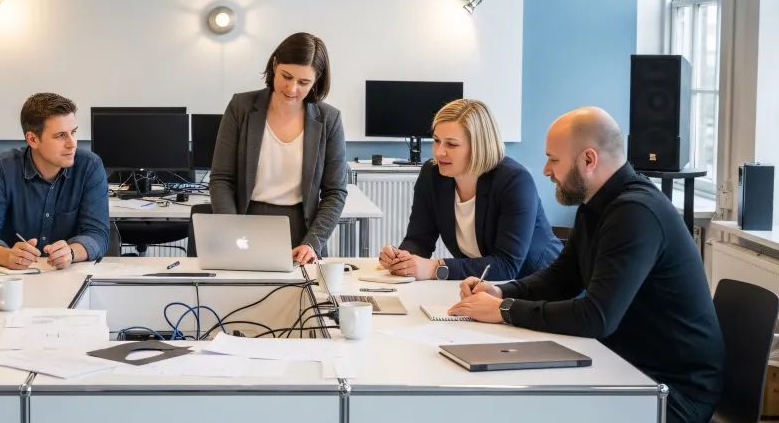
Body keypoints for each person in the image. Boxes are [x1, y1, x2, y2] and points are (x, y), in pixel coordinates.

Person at [448, 107, 724, 423]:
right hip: (625, 365)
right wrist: (502, 291)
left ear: (588, 160)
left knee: (528, 413)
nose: (547, 170)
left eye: (554, 159)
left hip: (671, 391)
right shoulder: (597, 204)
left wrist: (504, 311)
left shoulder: (635, 214)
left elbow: (596, 317)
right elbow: (562, 277)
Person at [378, 99, 561, 281]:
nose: (439, 152)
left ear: (479, 146)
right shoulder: (432, 174)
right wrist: (402, 258)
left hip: (542, 286)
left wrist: (435, 268)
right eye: (436, 140)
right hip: (483, 286)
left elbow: (506, 265)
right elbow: (419, 239)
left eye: (451, 144)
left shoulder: (515, 181)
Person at [208, 32, 347, 264]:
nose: (292, 89)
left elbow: (335, 192)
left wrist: (313, 242)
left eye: (303, 82)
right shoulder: (241, 107)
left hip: (301, 231)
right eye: (286, 76)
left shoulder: (329, 120)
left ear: (316, 80)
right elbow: (221, 178)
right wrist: (231, 231)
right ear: (274, 65)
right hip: (245, 222)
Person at [0, 92, 110, 269]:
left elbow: (98, 234)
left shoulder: (90, 166)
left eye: (73, 132)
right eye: (60, 136)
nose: (72, 143)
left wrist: (71, 252)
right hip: (15, 278)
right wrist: (6, 256)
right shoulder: (2, 168)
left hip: (68, 275)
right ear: (33, 139)